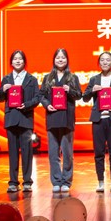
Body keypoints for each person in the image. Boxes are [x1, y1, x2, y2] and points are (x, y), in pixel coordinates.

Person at [83, 52, 111, 193]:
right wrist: (92, 90)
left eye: (108, 60)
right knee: (99, 152)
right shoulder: (94, 79)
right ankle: (100, 182)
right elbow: (84, 98)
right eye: (102, 60)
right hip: (98, 120)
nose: (105, 62)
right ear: (99, 63)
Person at [40, 48, 82, 193]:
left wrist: (69, 90)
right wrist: (47, 105)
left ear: (67, 60)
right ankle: (56, 181)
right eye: (58, 57)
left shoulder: (72, 77)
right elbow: (41, 95)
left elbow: (79, 95)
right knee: (53, 153)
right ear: (54, 60)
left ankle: (66, 181)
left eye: (63, 57)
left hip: (67, 119)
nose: (60, 60)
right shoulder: (48, 78)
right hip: (52, 117)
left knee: (67, 152)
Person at [0, 50, 40, 193]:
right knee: (13, 153)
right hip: (11, 119)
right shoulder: (6, 79)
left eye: (20, 59)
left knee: (27, 152)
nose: (17, 61)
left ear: (24, 62)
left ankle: (27, 182)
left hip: (26, 118)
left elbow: (37, 98)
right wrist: (3, 90)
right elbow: (0, 98)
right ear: (11, 62)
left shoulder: (32, 79)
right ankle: (13, 182)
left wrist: (26, 105)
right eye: (15, 59)